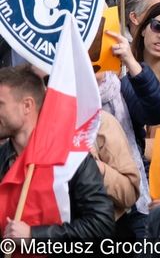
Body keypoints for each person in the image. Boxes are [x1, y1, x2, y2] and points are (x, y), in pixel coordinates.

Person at [0, 66, 113, 241]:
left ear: (27, 105)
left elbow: (101, 224)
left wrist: (34, 236)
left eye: (0, 104)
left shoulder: (71, 158)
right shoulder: (2, 158)